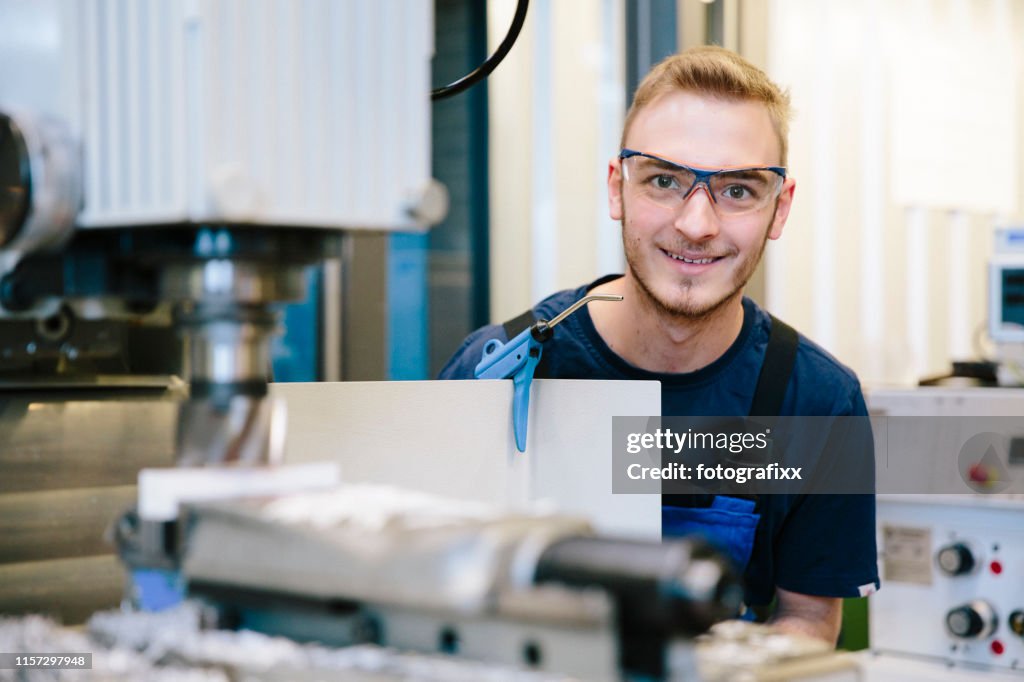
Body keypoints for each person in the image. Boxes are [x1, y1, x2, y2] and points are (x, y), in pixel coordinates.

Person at [438, 45, 878, 645]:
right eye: (664, 180)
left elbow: (806, 618)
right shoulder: (495, 371)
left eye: (739, 190)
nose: (697, 225)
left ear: (781, 207)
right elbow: (432, 594)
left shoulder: (818, 403)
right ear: (617, 189)